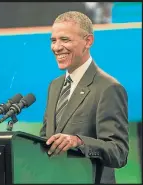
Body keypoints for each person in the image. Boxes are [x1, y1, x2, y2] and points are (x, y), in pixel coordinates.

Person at [39, 11, 129, 184]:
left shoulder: (108, 88)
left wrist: (78, 142)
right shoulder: (54, 86)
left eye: (65, 40)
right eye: (53, 40)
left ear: (88, 41)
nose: (56, 47)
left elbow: (119, 152)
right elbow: (46, 139)